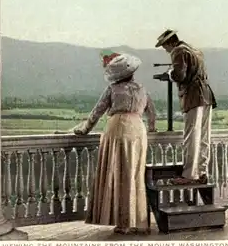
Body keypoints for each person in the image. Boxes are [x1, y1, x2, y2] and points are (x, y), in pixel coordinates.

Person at [72, 50, 156, 235]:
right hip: (138, 131)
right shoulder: (142, 88)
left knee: (119, 175)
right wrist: (151, 128)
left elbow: (97, 112)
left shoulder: (113, 89)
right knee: (134, 175)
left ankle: (122, 222)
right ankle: (136, 220)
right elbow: (152, 113)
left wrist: (84, 129)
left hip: (118, 129)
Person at [155, 29, 217, 185]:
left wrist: (169, 74)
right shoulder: (194, 50)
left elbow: (180, 75)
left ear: (170, 42)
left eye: (164, 46)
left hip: (193, 96)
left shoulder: (178, 51)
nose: (165, 49)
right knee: (203, 137)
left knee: (191, 136)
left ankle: (189, 175)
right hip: (206, 95)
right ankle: (202, 172)